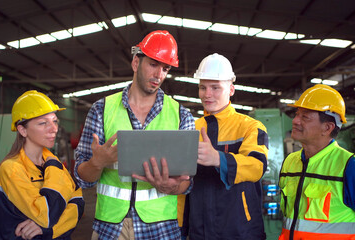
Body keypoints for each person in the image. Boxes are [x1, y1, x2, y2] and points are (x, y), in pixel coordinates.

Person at [74, 30, 195, 240]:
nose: (159, 75)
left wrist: (171, 186)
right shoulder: (101, 109)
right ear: (136, 63)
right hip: (111, 228)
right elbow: (82, 178)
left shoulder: (181, 116)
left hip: (160, 228)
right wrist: (97, 162)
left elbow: (187, 182)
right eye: (153, 64)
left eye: (165, 68)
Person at [180, 53, 269, 239]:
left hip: (241, 231)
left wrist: (218, 159)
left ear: (231, 89)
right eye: (202, 87)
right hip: (200, 231)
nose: (207, 94)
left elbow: (257, 166)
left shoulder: (251, 127)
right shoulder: (190, 129)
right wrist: (181, 228)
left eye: (215, 87)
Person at [0, 90, 85, 240]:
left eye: (54, 121)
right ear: (22, 130)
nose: (54, 128)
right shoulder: (11, 169)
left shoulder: (54, 164)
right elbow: (47, 215)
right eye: (43, 123)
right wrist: (54, 166)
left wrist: (47, 230)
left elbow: (78, 203)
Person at [278, 84, 355, 240]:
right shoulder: (290, 162)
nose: (295, 121)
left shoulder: (348, 166)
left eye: (305, 117)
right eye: (297, 114)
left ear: (327, 128)